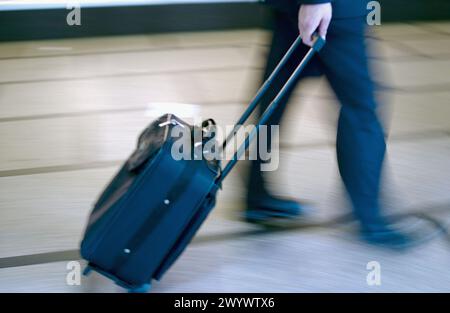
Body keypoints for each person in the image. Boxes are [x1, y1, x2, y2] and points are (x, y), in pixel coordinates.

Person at [245, 0, 411, 248]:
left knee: (275, 98)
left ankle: (256, 194)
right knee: (361, 110)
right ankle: (370, 216)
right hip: (332, 10)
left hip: (293, 6)